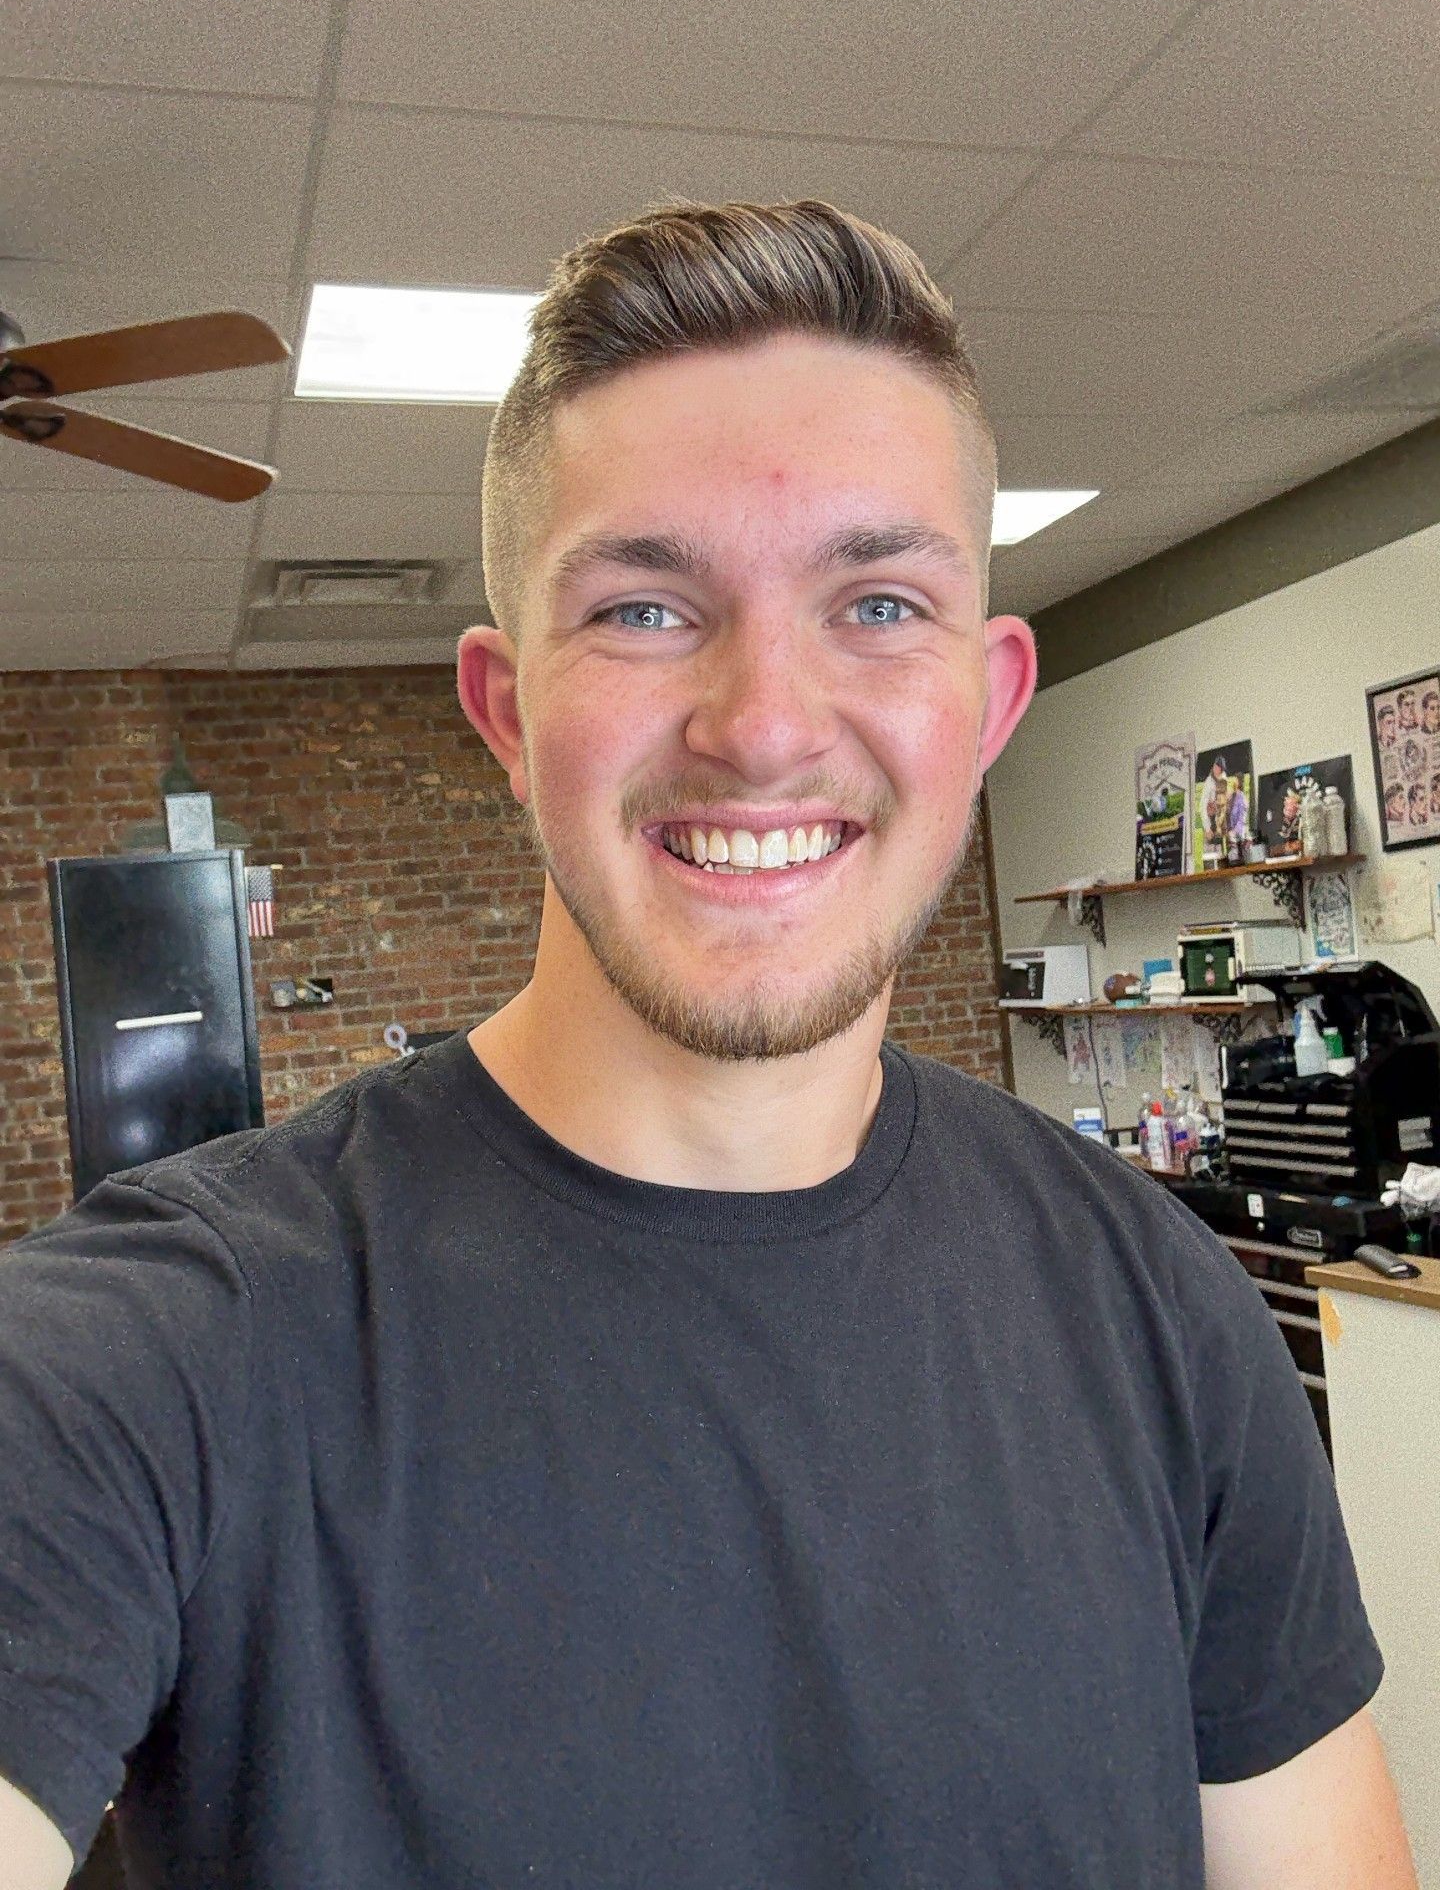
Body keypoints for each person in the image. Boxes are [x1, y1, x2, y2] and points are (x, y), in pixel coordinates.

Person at [0, 201, 1416, 1890]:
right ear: (509, 714)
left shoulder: (1166, 1315)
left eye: (880, 603)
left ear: (987, 699)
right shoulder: (152, 1352)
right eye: (647, 611)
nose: (760, 725)